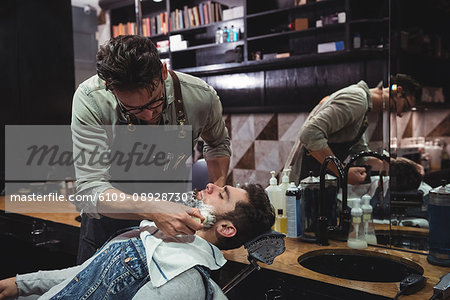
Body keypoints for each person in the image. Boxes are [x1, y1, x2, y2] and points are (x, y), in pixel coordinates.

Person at [71, 35, 232, 263]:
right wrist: (153, 208)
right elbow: (90, 191)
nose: (148, 116)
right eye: (133, 109)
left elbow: (217, 144)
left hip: (172, 218)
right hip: (108, 223)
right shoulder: (91, 100)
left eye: (155, 102)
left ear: (163, 72)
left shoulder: (200, 97)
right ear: (110, 88)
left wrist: (216, 203)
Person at [0, 184, 275, 300]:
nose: (212, 186)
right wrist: (20, 284)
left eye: (222, 194)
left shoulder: (183, 278)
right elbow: (84, 276)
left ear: (226, 228)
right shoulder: (151, 234)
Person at [289, 74, 421, 185]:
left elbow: (362, 156)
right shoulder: (357, 100)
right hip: (305, 183)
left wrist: (403, 166)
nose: (400, 114)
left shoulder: (363, 110)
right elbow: (309, 133)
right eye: (405, 107)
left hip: (320, 183)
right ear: (398, 91)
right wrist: (343, 173)